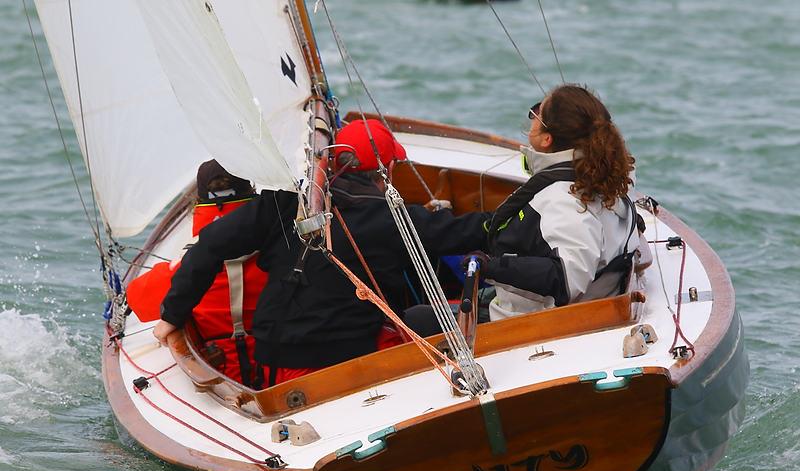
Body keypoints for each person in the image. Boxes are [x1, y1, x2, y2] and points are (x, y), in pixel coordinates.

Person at [154, 119, 489, 387]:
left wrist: (171, 315)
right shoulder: (394, 219)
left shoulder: (283, 202)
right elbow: (469, 231)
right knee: (441, 316)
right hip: (345, 362)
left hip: (273, 364)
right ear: (386, 169)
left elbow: (209, 244)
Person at [479, 84, 639, 320]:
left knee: (418, 318)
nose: (532, 117)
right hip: (581, 307)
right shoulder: (611, 179)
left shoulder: (564, 200)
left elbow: (567, 278)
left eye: (537, 113)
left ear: (546, 138)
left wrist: (490, 267)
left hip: (532, 324)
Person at [127, 160, 268, 387]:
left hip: (222, 372)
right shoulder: (279, 248)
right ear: (252, 193)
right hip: (277, 364)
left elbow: (137, 300)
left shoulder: (189, 265)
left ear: (199, 202)